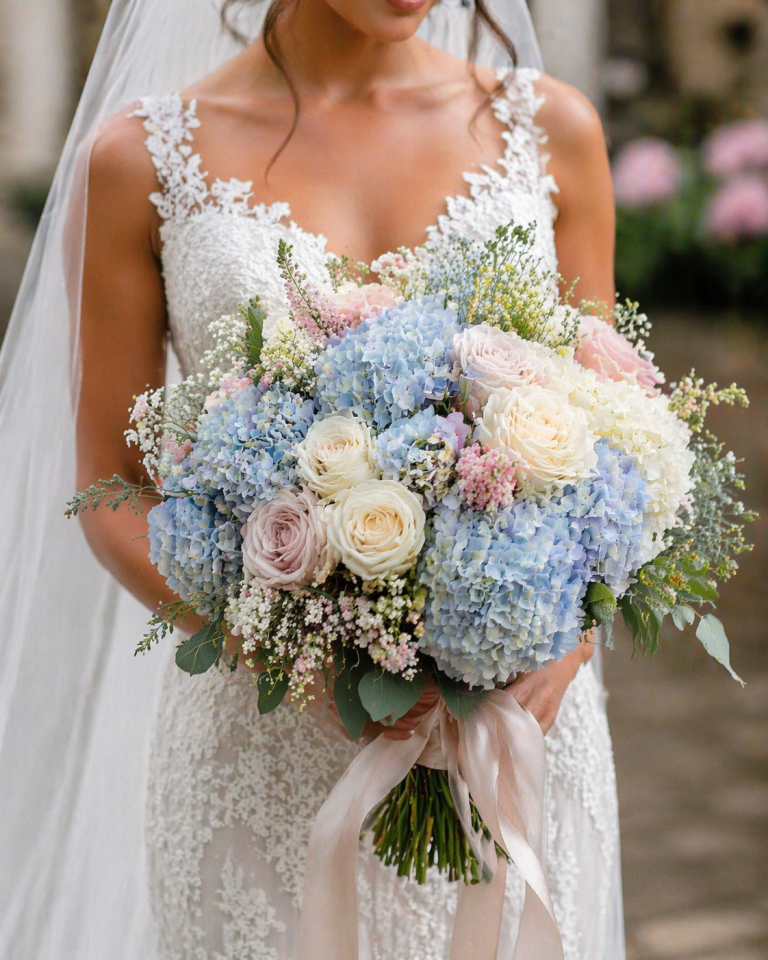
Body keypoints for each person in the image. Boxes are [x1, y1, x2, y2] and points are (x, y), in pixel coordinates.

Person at [0, 1, 623, 957]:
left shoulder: (551, 130)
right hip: (264, 747)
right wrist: (294, 647)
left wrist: (569, 642)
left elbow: (611, 442)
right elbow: (114, 484)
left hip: (512, 737)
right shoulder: (141, 160)